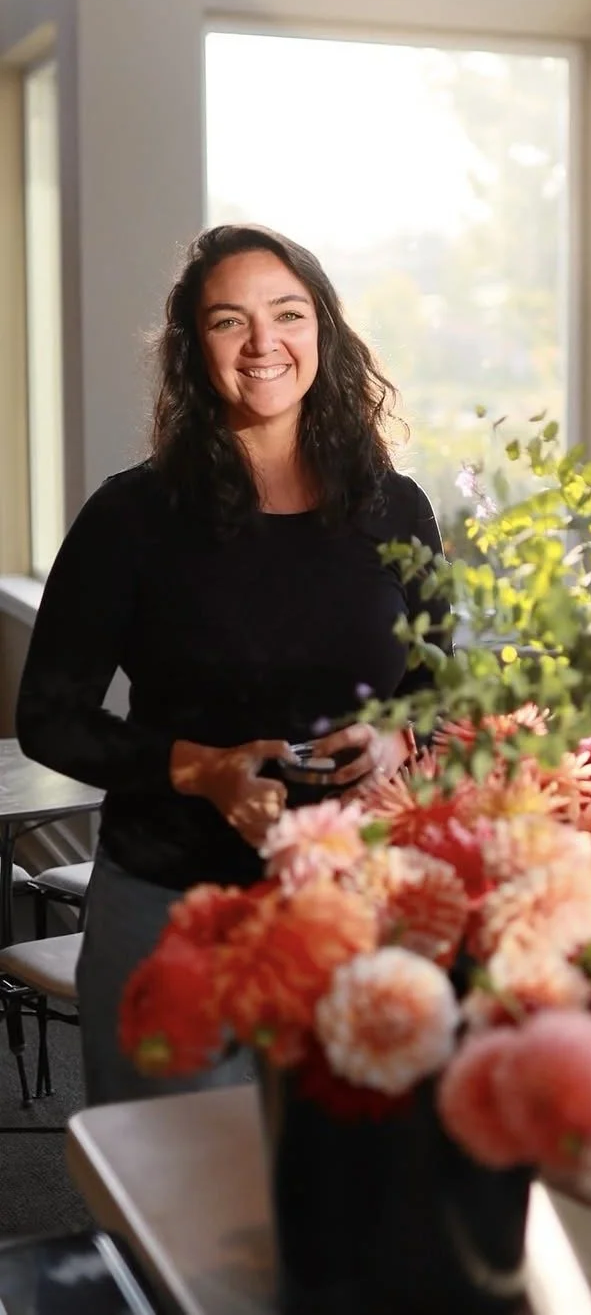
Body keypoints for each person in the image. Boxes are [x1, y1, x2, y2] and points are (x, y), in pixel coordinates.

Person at [16, 224, 448, 1106]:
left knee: (340, 1178)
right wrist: (201, 770)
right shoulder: (131, 516)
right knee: (164, 1177)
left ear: (322, 329)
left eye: (287, 314)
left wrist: (398, 738)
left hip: (354, 900)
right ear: (193, 347)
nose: (262, 344)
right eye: (228, 321)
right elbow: (50, 718)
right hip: (170, 901)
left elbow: (439, 683)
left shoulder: (394, 508)